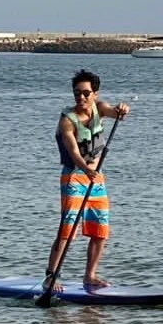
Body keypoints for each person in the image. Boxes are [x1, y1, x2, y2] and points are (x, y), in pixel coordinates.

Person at [44, 69, 130, 292]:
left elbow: (114, 112)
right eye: (77, 93)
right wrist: (86, 170)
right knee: (67, 229)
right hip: (74, 177)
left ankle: (90, 276)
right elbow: (73, 151)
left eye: (85, 93)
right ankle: (50, 277)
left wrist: (121, 109)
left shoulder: (99, 108)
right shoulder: (67, 120)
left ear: (95, 94)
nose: (80, 97)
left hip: (96, 179)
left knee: (100, 230)